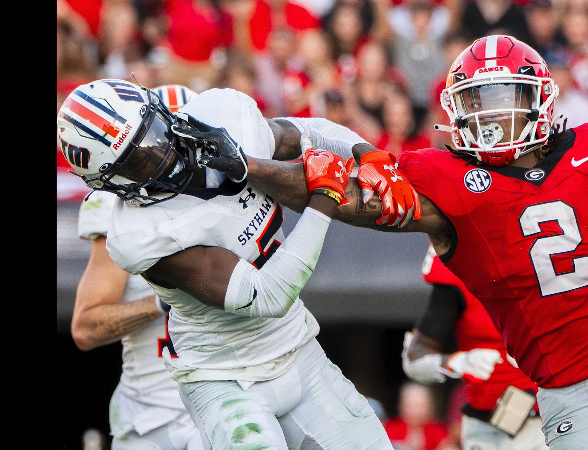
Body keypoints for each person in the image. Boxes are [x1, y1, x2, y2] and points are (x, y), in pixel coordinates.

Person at [206, 35, 588, 449]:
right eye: (476, 100)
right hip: (569, 399)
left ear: (539, 97)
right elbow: (345, 192)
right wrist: (247, 164)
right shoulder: (447, 179)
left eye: (502, 97)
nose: (488, 114)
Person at [57, 78, 419, 449]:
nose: (160, 155)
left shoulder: (223, 116)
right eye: (136, 162)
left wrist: (367, 153)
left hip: (298, 348)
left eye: (152, 134)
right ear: (109, 183)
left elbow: (307, 131)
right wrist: (324, 197)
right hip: (223, 379)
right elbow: (268, 296)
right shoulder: (140, 233)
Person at [70, 85, 203, 449]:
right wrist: (163, 302)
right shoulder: (115, 206)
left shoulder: (232, 192)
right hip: (151, 419)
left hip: (229, 402)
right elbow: (85, 328)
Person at [402, 245, 548, 449]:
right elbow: (413, 359)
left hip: (548, 419)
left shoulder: (543, 250)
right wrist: (456, 362)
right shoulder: (458, 263)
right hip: (484, 427)